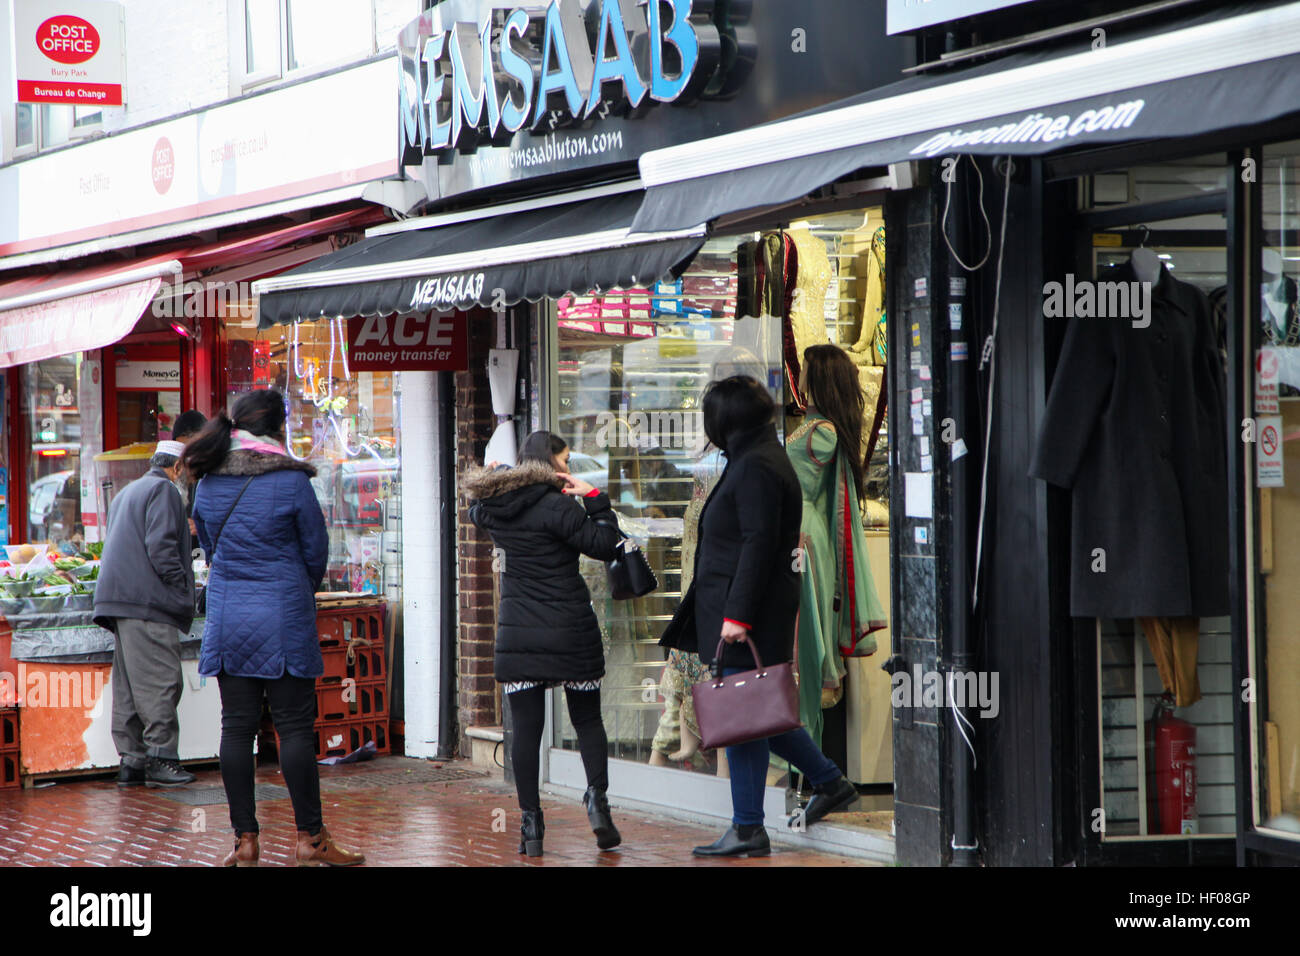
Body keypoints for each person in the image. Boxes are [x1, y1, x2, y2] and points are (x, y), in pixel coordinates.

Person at [660, 376, 860, 858]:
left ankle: (749, 826)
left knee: (743, 716)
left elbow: (757, 545)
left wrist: (737, 616)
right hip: (747, 612)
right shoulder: (755, 458)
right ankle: (829, 781)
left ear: (725, 419)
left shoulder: (755, 467)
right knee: (754, 710)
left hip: (747, 616)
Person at [185, 389, 364, 868]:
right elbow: (316, 552)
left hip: (228, 618)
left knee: (236, 730)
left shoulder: (208, 481)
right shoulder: (291, 481)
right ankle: (311, 839)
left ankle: (245, 841)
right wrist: (293, 587)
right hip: (283, 618)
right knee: (295, 730)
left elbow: (208, 543)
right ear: (278, 427)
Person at [465, 431, 623, 857]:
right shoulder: (561, 507)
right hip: (570, 629)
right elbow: (607, 545)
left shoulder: (497, 510)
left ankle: (531, 825)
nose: (568, 470)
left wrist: (493, 479)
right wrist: (594, 498)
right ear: (550, 464)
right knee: (587, 720)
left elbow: (474, 509)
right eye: (565, 462)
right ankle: (597, 803)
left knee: (527, 733)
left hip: (520, 635)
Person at [787, 344, 887, 752]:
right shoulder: (812, 427)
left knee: (806, 648)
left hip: (805, 546)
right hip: (798, 538)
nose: (800, 372)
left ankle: (807, 762)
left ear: (819, 377)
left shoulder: (822, 434)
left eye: (806, 367)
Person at [92, 439, 198, 789]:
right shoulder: (164, 491)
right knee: (160, 681)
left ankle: (133, 762)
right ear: (178, 467)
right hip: (147, 601)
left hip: (120, 600)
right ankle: (161, 758)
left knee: (129, 685)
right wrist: (180, 587)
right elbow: (162, 547)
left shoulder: (130, 490)